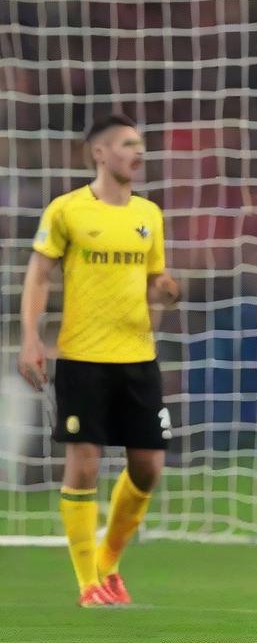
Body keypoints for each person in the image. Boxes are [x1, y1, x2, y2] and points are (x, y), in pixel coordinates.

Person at [17, 114, 180, 607]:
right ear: (100, 153)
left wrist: (164, 288)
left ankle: (108, 560)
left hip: (137, 356)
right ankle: (88, 582)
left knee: (149, 466)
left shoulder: (149, 215)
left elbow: (155, 276)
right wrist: (30, 338)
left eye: (141, 145)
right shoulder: (66, 211)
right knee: (83, 464)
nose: (138, 153)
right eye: (128, 145)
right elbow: (39, 276)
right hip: (83, 356)